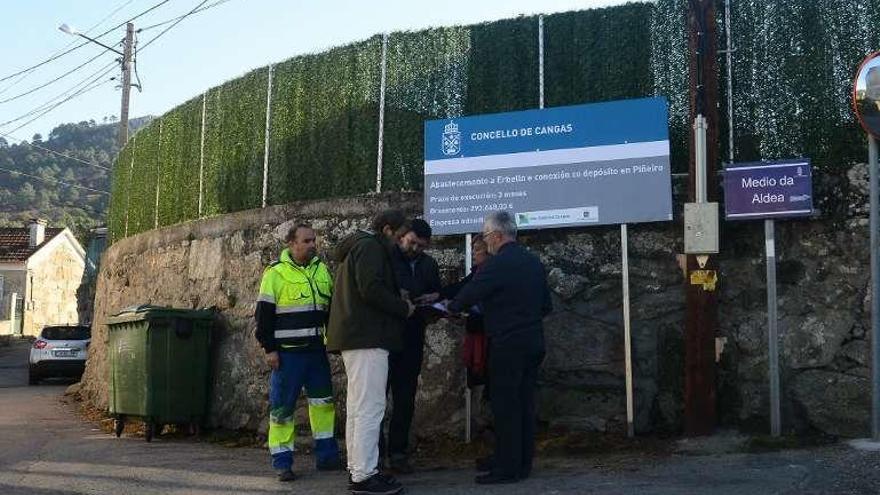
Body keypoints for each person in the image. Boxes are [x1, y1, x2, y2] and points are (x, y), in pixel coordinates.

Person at [447, 211, 552, 485]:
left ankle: (507, 468)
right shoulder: (533, 262)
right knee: (525, 405)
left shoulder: (498, 264)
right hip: (533, 341)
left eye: (485, 236)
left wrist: (451, 307)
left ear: (496, 235)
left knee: (505, 407)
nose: (486, 242)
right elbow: (546, 306)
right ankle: (521, 463)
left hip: (507, 344)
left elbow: (468, 295)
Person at [326, 209, 415, 495]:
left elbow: (367, 287)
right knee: (370, 409)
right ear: (387, 230)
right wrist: (403, 307)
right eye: (400, 236)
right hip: (367, 336)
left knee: (358, 408)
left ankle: (360, 470)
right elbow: (370, 288)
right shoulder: (371, 247)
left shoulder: (360, 246)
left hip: (356, 336)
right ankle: (364, 475)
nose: (402, 242)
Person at [254, 224, 342, 482]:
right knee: (282, 409)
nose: (313, 244)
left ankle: (327, 457)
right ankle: (282, 462)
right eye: (307, 240)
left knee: (323, 405)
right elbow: (264, 317)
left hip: (316, 353)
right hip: (287, 355)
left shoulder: (322, 270)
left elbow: (330, 312)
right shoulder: (275, 273)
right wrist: (269, 349)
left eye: (314, 240)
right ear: (292, 243)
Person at [381, 218, 442, 474]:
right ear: (402, 236)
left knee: (405, 399)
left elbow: (434, 290)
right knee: (377, 399)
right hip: (386, 336)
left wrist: (434, 297)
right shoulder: (387, 257)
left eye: (422, 246)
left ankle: (398, 453)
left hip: (413, 335)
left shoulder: (429, 264)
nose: (416, 249)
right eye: (413, 243)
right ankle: (372, 454)